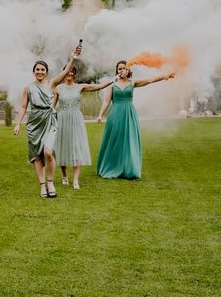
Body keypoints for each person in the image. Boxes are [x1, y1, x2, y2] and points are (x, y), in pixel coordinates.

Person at [13, 44, 82, 198]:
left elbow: (65, 72)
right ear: (33, 72)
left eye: (42, 70)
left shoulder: (51, 84)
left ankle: (50, 182)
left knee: (48, 152)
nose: (40, 72)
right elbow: (24, 107)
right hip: (34, 123)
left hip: (50, 120)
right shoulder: (28, 88)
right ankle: (43, 186)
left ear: (46, 72)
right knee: (37, 156)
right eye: (37, 69)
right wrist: (18, 124)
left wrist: (73, 57)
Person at [96, 60, 175, 180]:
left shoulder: (133, 83)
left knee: (129, 140)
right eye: (119, 69)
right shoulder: (112, 84)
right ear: (117, 71)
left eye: (123, 68)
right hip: (115, 114)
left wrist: (164, 76)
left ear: (128, 70)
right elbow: (107, 101)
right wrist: (100, 115)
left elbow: (150, 80)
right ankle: (111, 166)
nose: (121, 70)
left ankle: (129, 169)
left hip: (129, 114)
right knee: (114, 140)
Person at [52, 66, 113, 189]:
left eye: (72, 72)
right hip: (62, 118)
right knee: (62, 146)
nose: (69, 73)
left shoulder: (80, 87)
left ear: (74, 74)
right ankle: (64, 176)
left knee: (77, 147)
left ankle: (75, 180)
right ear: (63, 73)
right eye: (67, 71)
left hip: (76, 119)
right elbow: (52, 106)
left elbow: (98, 86)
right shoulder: (58, 88)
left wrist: (113, 79)